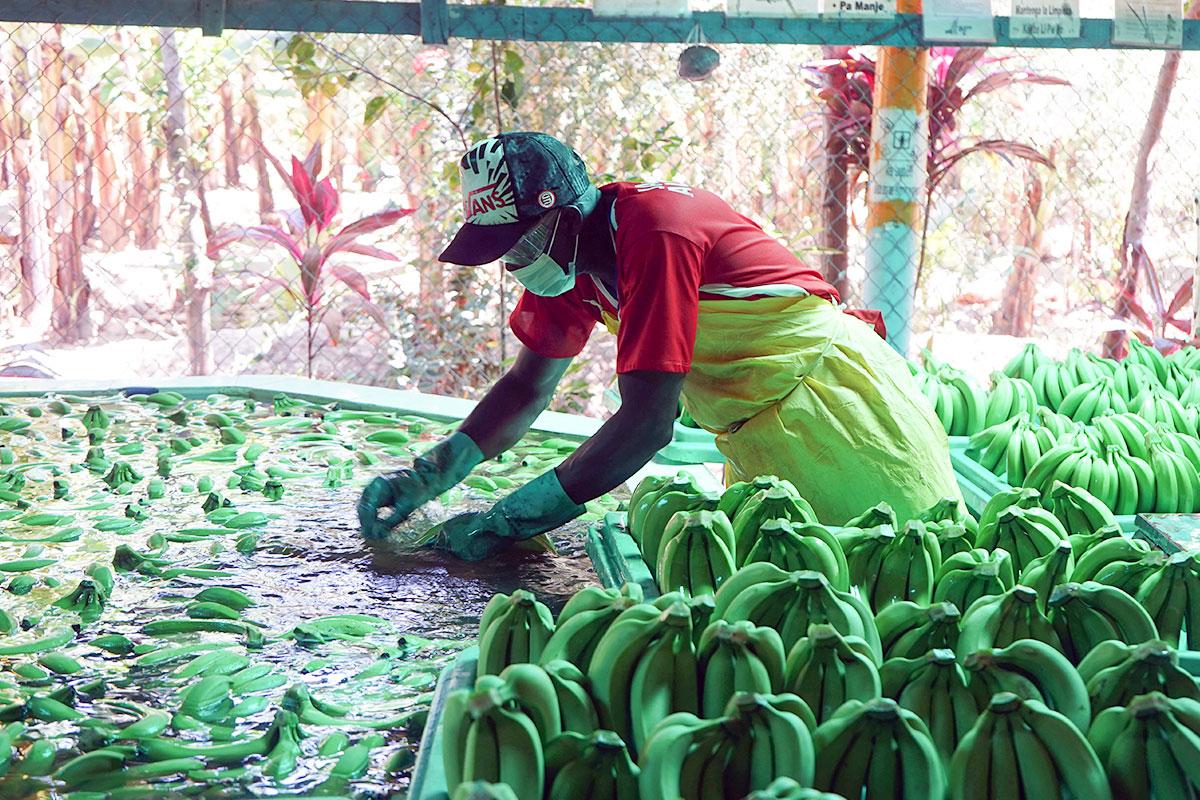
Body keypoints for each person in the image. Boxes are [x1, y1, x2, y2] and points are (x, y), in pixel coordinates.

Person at [357, 132, 960, 559]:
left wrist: (513, 517)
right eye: (503, 252)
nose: (514, 261)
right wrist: (431, 474)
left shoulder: (655, 232)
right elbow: (526, 385)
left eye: (518, 242)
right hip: (756, 432)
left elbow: (647, 423)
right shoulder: (568, 265)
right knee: (799, 591)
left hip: (838, 409)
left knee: (901, 565)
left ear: (563, 216)